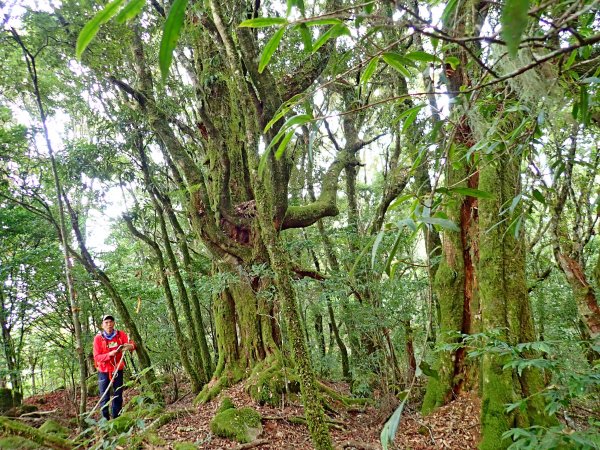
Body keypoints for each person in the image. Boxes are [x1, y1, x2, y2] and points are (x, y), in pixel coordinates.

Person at [93, 315, 135, 420]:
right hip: (104, 370)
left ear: (114, 323)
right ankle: (105, 420)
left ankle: (117, 418)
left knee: (118, 395)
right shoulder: (98, 338)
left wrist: (129, 347)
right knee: (104, 396)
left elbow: (132, 344)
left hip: (117, 369)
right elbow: (97, 357)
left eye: (111, 322)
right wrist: (109, 355)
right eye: (106, 322)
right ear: (102, 325)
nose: (109, 324)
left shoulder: (120, 335)